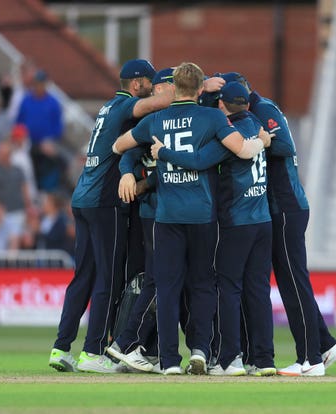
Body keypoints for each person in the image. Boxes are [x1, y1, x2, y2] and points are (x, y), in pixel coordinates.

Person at [112, 62, 270, 375]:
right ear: (200, 90)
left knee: (168, 287)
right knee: (202, 284)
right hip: (202, 214)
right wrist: (262, 142)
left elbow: (119, 145)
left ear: (174, 89)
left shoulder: (155, 120)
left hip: (167, 215)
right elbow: (240, 150)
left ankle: (169, 361)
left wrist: (128, 172)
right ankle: (200, 350)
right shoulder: (212, 117)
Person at [214, 72, 336, 377]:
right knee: (290, 280)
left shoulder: (262, 110)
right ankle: (324, 343)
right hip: (276, 208)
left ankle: (311, 358)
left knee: (292, 280)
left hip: (285, 207)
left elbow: (285, 146)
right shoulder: (255, 111)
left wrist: (257, 141)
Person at [48, 58, 173, 374]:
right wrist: (193, 89)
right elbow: (163, 102)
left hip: (83, 198)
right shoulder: (123, 107)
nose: (150, 91)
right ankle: (92, 351)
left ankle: (61, 348)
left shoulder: (105, 109)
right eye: (148, 84)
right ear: (136, 84)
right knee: (108, 277)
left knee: (84, 276)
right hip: (105, 202)